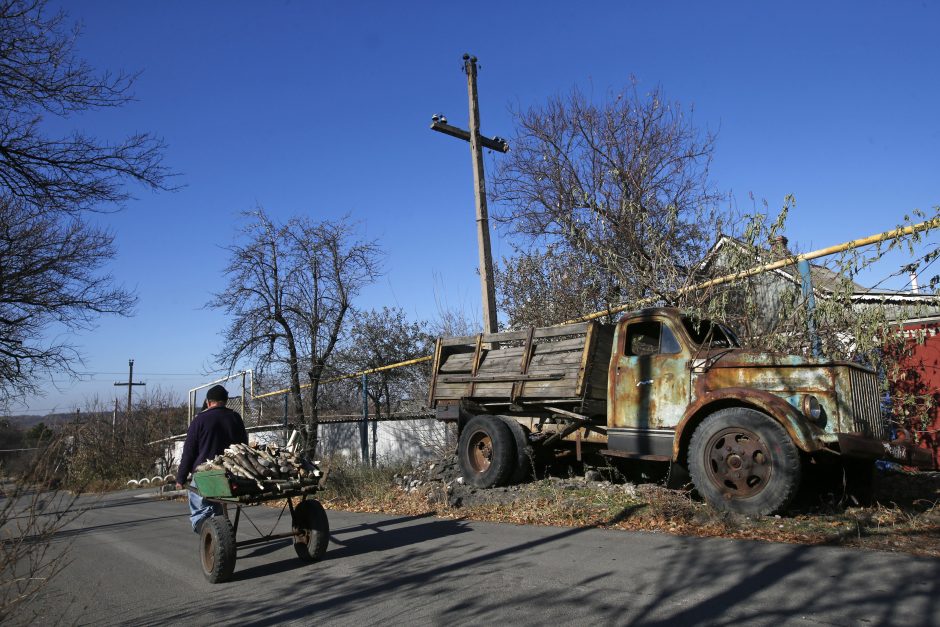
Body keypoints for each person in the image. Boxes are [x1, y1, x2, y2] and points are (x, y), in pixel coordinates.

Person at [175, 384, 249, 532]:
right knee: (217, 507)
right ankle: (219, 531)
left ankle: (210, 534)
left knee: (200, 510)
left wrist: (181, 478)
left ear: (208, 402)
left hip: (206, 474)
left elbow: (189, 452)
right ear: (225, 401)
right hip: (233, 473)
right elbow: (244, 446)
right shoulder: (235, 418)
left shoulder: (199, 420)